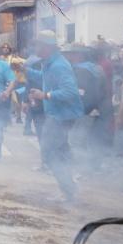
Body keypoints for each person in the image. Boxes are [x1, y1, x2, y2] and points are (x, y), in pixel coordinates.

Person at [25, 31, 83, 201]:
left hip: (62, 115)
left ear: (47, 47)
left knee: (49, 153)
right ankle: (69, 190)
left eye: (37, 44)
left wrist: (45, 96)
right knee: (61, 152)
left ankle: (69, 190)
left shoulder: (59, 65)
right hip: (57, 114)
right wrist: (26, 70)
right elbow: (44, 77)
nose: (34, 47)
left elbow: (70, 92)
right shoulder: (49, 63)